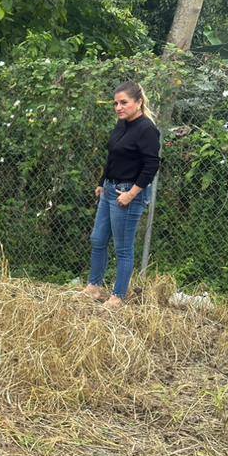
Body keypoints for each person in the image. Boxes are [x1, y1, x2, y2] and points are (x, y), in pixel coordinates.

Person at [81, 80, 161, 309]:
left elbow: (151, 166)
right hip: (109, 189)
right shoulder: (122, 124)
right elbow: (113, 156)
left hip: (127, 194)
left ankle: (118, 296)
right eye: (116, 103)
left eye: (123, 103)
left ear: (138, 102)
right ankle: (94, 287)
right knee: (98, 239)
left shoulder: (147, 129)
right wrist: (101, 183)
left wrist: (131, 194)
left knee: (123, 248)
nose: (118, 107)